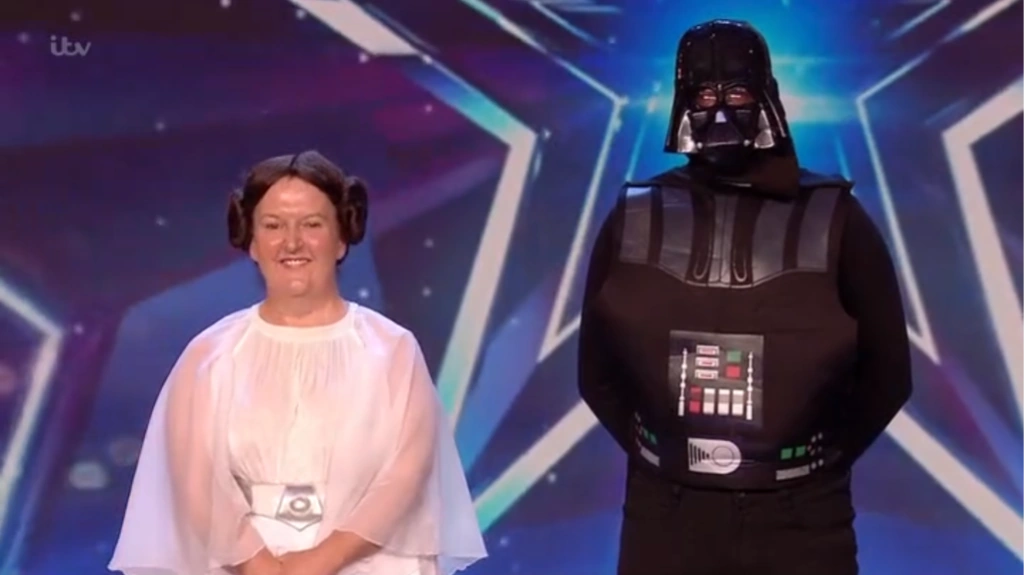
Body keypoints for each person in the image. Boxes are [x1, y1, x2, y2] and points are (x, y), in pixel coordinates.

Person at [577, 19, 912, 575]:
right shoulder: (634, 216)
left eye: (735, 93)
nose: (720, 111)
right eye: (704, 95)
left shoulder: (836, 218)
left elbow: (888, 376)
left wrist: (808, 466)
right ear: (684, 101)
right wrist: (669, 460)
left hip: (801, 517)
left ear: (765, 95)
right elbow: (597, 374)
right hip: (667, 514)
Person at [108, 150, 488, 575]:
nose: (292, 242)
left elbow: (406, 474)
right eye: (273, 226)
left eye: (311, 224)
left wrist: (320, 562)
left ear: (341, 237)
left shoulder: (391, 349)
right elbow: (195, 478)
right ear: (252, 241)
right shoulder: (210, 354)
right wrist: (259, 565)